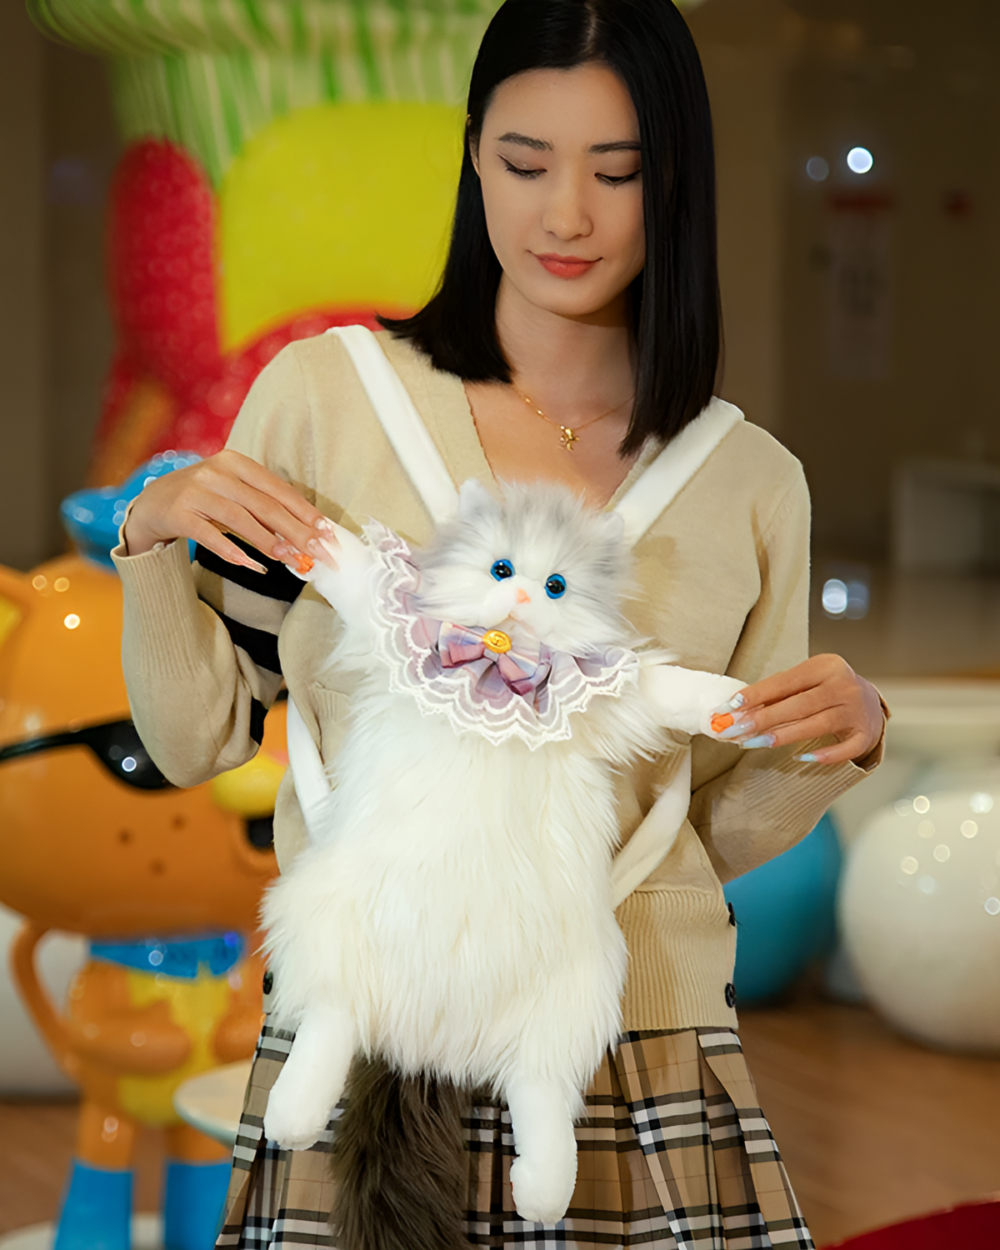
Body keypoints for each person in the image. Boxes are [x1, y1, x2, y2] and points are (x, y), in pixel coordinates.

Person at [115, 1, 886, 1246]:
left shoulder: (750, 478)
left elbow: (711, 822)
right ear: (475, 156)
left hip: (633, 1042)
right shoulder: (329, 399)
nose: (564, 214)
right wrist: (155, 540)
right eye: (525, 163)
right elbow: (197, 736)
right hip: (362, 1039)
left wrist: (836, 740)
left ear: (675, 181)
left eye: (616, 171)